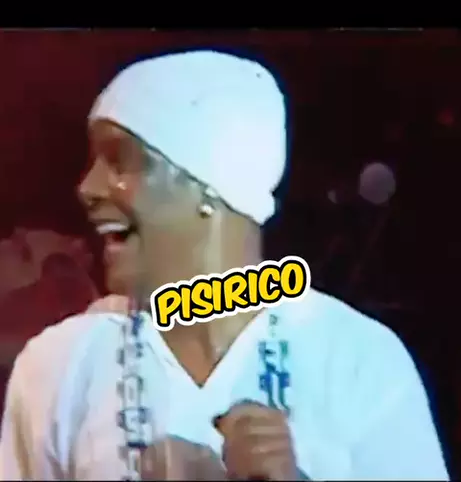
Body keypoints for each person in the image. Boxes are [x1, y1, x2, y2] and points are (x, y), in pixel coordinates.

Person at [0, 50, 449, 480]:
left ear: (209, 183)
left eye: (119, 161)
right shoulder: (58, 366)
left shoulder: (356, 358)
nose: (87, 188)